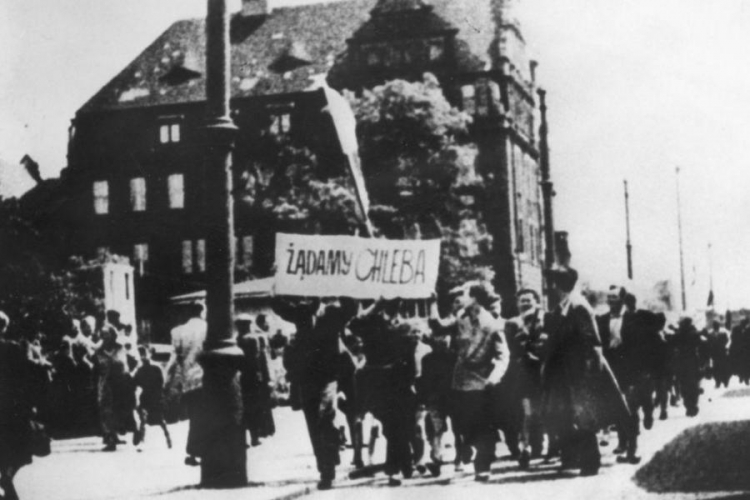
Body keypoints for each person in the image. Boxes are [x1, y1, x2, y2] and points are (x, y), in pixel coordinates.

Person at [541, 266, 630, 476]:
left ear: (557, 284)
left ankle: (591, 462)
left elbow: (593, 343)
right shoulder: (563, 306)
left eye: (551, 282)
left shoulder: (578, 306)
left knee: (584, 416)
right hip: (565, 372)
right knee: (563, 414)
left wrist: (589, 376)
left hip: (580, 372)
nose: (548, 287)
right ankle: (571, 457)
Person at [275, 298, 351, 490]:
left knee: (324, 418)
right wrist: (276, 285)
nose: (307, 319)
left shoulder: (332, 318)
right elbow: (278, 306)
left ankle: (328, 466)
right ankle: (325, 465)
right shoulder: (300, 318)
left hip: (328, 379)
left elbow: (351, 307)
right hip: (306, 382)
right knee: (314, 425)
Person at [349, 299, 419, 486]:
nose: (394, 307)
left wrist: (411, 380)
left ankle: (395, 469)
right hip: (378, 383)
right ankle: (404, 463)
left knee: (396, 426)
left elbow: (410, 355)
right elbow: (354, 324)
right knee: (391, 427)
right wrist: (374, 307)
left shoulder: (406, 326)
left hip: (400, 383)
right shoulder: (372, 324)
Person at [448, 285, 509, 482]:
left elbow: (503, 354)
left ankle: (482, 466)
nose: (461, 298)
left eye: (465, 295)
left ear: (474, 298)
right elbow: (439, 327)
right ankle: (471, 448)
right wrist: (432, 303)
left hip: (482, 381)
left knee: (483, 425)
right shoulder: (460, 317)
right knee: (463, 423)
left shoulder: (491, 323)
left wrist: (495, 376)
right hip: (461, 380)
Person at [0, 311, 50, 500]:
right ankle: (7, 478)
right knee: (18, 449)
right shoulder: (13, 349)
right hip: (12, 407)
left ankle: (6, 482)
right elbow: (26, 378)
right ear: (4, 327)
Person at [504, 288, 548, 469]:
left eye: (529, 300)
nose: (526, 303)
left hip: (544, 371)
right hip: (524, 373)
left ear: (537, 301)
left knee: (545, 410)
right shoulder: (513, 323)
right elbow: (512, 347)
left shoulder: (545, 319)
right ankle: (526, 448)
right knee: (528, 413)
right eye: (522, 300)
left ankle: (549, 445)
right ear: (517, 303)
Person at [165, 302, 207, 465]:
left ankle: (194, 451)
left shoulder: (178, 331)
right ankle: (203, 450)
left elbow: (175, 358)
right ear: (202, 311)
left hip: (189, 379)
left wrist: (167, 382)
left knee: (195, 416)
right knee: (208, 415)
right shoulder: (209, 328)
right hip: (207, 377)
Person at [596, 285, 628, 454]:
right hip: (609, 365)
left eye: (614, 297)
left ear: (622, 299)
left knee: (627, 404)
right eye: (608, 297)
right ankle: (616, 438)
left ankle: (627, 440)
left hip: (627, 366)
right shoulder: (601, 319)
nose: (610, 301)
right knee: (613, 402)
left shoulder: (631, 318)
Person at [237, 314, 275, 447]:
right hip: (253, 377)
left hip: (241, 378)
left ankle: (243, 439)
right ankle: (255, 437)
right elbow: (259, 359)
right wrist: (265, 377)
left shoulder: (237, 339)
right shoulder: (253, 339)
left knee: (243, 408)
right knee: (254, 407)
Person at [93, 315, 130, 451]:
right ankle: (109, 438)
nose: (105, 337)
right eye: (103, 335)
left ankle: (115, 435)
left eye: (107, 334)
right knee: (106, 411)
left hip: (118, 383)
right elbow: (96, 369)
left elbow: (125, 365)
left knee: (117, 410)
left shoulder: (120, 348)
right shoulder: (99, 352)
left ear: (113, 335)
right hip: (104, 385)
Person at [133, 345, 171, 449]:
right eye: (141, 354)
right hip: (145, 396)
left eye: (144, 354)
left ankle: (168, 438)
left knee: (160, 420)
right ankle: (142, 441)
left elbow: (162, 382)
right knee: (143, 420)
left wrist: (161, 395)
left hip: (155, 396)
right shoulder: (140, 370)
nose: (143, 357)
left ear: (150, 354)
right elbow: (135, 383)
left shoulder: (156, 368)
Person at [672, 316, 703, 416]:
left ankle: (689, 406)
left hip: (681, 362)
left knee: (683, 385)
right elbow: (700, 344)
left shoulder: (678, 334)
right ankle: (692, 405)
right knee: (693, 385)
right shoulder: (694, 333)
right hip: (693, 362)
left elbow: (672, 343)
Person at [708, 320, 732, 388]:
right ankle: (717, 382)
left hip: (722, 352)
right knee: (716, 368)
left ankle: (725, 381)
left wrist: (726, 347)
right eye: (714, 325)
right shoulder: (710, 333)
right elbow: (709, 343)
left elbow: (729, 340)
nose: (716, 326)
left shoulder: (724, 332)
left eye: (717, 325)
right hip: (715, 354)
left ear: (719, 325)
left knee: (724, 367)